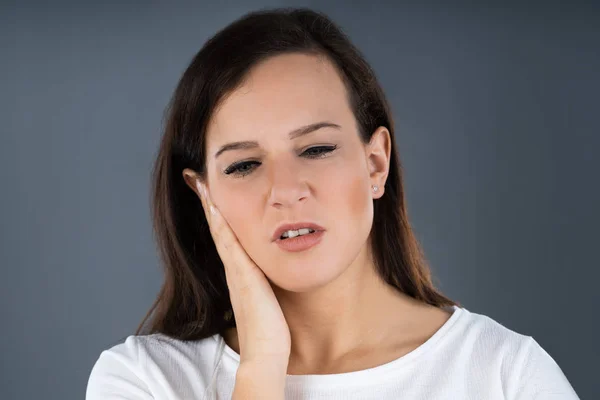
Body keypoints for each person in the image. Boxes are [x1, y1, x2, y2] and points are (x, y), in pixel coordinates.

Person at [86, 7, 579, 400]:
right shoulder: (143, 382)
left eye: (316, 149)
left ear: (375, 164)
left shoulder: (506, 376)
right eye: (243, 165)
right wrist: (260, 366)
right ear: (202, 194)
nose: (285, 190)